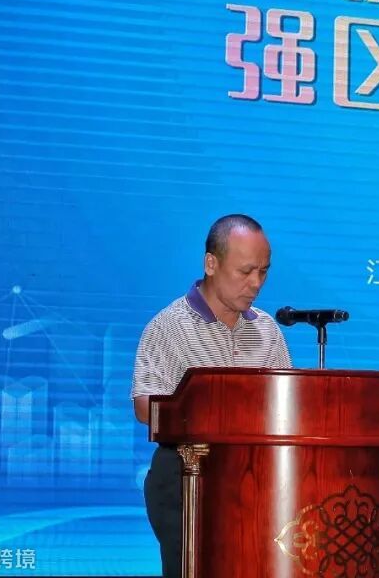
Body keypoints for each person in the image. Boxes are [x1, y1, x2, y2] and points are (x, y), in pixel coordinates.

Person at [130, 214, 292, 578]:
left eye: (263, 272)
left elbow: (285, 404)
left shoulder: (267, 330)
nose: (256, 283)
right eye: (245, 271)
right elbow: (144, 407)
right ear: (211, 263)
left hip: (255, 483)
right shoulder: (169, 326)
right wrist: (214, 406)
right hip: (187, 479)